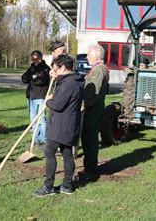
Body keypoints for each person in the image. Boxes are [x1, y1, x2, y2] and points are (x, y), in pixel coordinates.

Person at [33, 54, 84, 197]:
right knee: (67, 153)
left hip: (62, 125)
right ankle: (67, 186)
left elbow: (58, 105)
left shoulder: (69, 84)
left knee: (49, 152)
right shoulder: (73, 80)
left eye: (55, 69)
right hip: (68, 124)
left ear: (63, 67)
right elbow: (62, 96)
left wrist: (48, 100)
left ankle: (48, 187)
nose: (53, 71)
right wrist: (55, 80)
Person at [80, 44, 109, 180]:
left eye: (88, 54)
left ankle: (91, 171)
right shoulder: (99, 69)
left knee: (89, 139)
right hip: (94, 109)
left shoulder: (98, 70)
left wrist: (84, 106)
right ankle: (90, 168)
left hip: (93, 110)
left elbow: (93, 92)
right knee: (88, 139)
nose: (86, 57)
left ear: (97, 55)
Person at [21, 50, 51, 146]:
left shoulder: (46, 69)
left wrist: (33, 78)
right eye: (33, 59)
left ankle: (44, 139)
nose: (34, 61)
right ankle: (36, 138)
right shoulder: (32, 67)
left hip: (40, 96)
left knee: (41, 119)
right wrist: (32, 77)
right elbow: (24, 78)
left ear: (41, 58)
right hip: (31, 95)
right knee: (33, 119)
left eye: (36, 59)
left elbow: (41, 81)